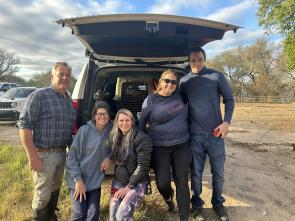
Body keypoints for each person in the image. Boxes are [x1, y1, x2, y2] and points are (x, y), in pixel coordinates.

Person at [179, 47, 234, 221]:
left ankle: (218, 203)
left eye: (200, 59)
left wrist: (226, 122)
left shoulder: (217, 76)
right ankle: (197, 206)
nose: (197, 63)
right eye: (193, 60)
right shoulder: (184, 82)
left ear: (205, 59)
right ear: (189, 61)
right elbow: (180, 106)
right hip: (195, 135)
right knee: (196, 173)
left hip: (216, 134)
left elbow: (229, 100)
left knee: (218, 173)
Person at [17, 62, 76, 221]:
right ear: (52, 76)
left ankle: (51, 217)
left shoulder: (68, 100)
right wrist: (32, 156)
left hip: (61, 153)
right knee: (42, 194)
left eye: (67, 75)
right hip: (43, 154)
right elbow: (24, 125)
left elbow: (70, 130)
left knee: (55, 189)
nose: (64, 78)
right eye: (60, 74)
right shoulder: (39, 96)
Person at [138, 69, 191, 221]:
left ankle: (184, 217)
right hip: (159, 147)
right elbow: (141, 127)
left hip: (182, 145)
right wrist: (142, 150)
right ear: (160, 82)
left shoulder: (181, 95)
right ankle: (169, 199)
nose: (170, 84)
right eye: (167, 80)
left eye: (174, 82)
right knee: (162, 183)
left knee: (182, 181)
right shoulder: (150, 100)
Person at [65, 101, 112, 221]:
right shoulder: (84, 130)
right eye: (99, 114)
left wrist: (108, 157)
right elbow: (71, 157)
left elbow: (115, 148)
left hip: (95, 180)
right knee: (80, 213)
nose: (102, 116)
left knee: (93, 215)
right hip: (78, 179)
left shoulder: (111, 131)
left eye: (105, 114)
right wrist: (78, 181)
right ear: (94, 115)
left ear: (109, 116)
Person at [109, 109, 152, 221]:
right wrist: (106, 158)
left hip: (137, 183)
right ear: (117, 122)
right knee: (113, 214)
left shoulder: (142, 138)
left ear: (132, 121)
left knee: (121, 216)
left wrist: (128, 187)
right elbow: (108, 151)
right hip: (119, 181)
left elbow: (142, 168)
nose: (124, 123)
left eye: (127, 120)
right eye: (121, 120)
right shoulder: (114, 136)